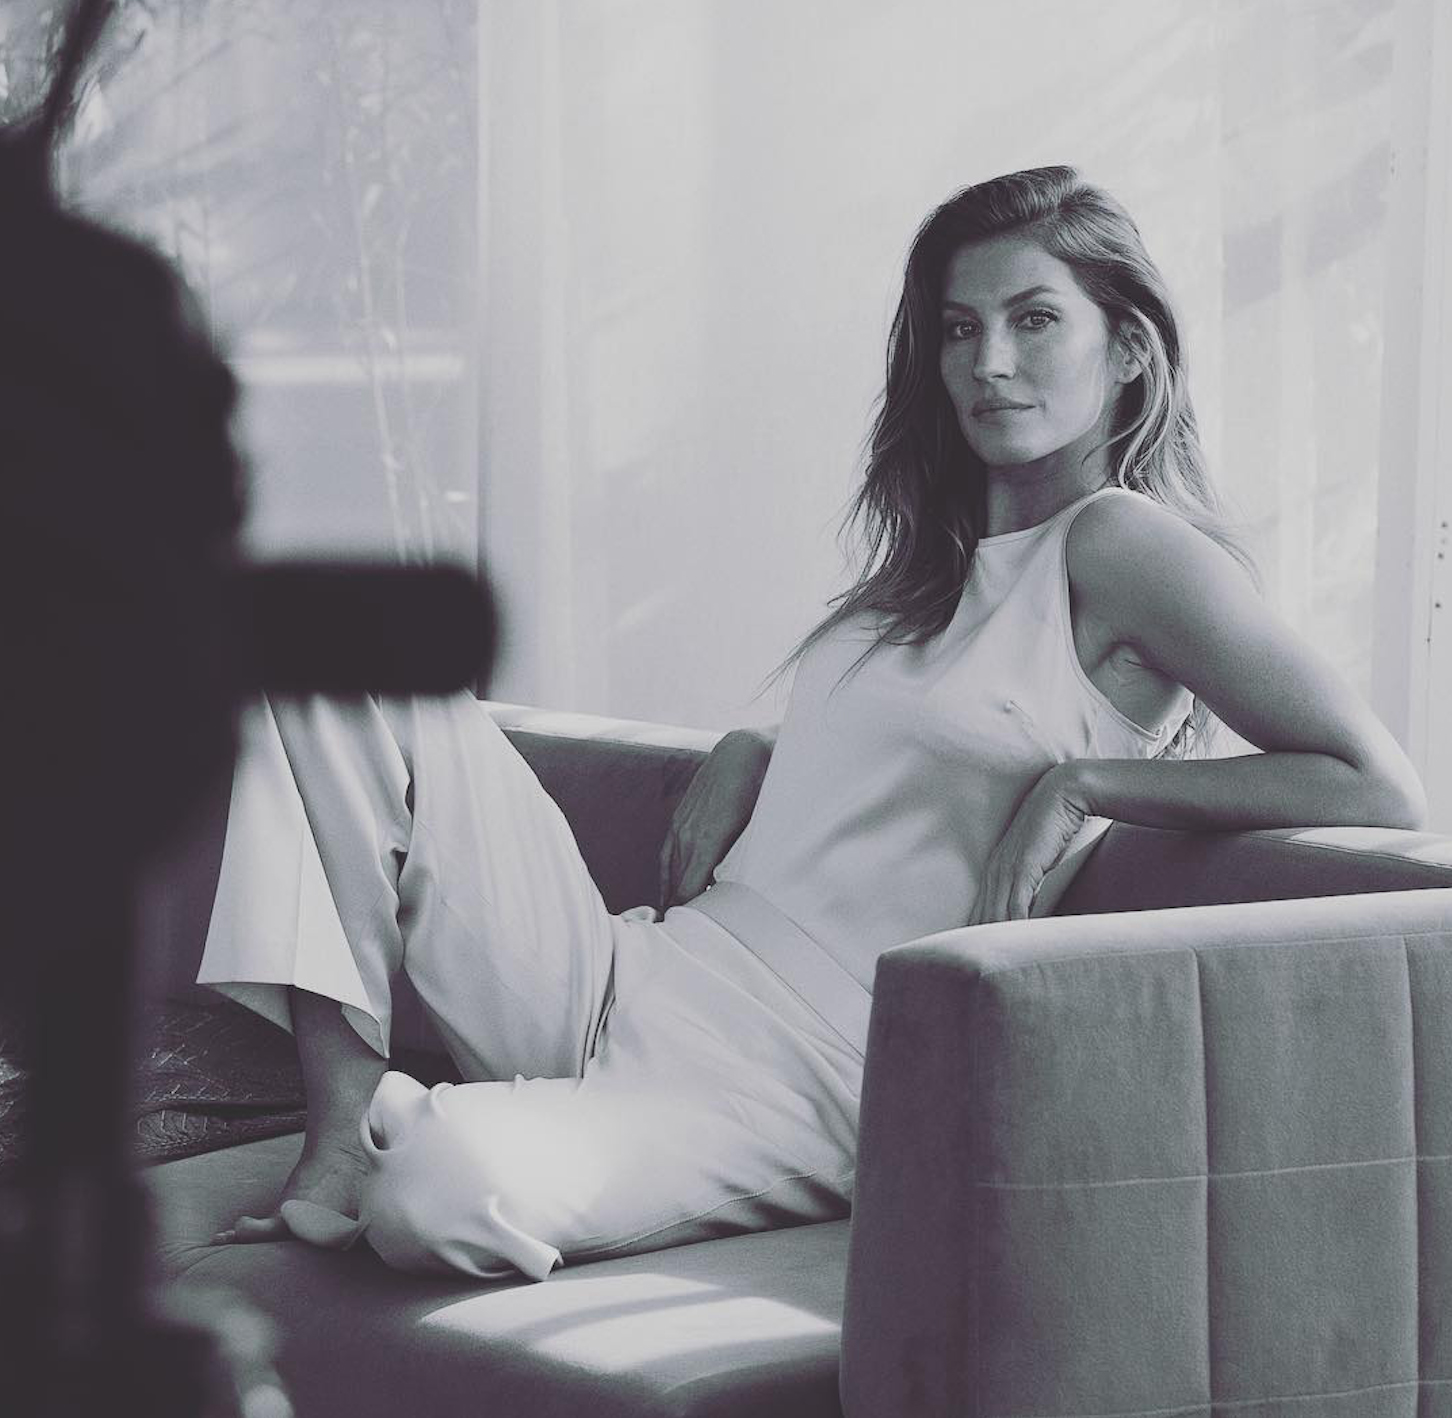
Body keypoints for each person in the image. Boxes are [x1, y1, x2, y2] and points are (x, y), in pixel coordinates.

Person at [201, 165, 1424, 1279]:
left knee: (440, 1192)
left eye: (1035, 319)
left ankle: (450, 1137)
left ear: (1130, 351)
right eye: (960, 327)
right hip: (642, 964)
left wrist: (1085, 786)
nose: (990, 360)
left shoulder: (1121, 544)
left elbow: (1372, 780)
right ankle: (344, 1117)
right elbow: (929, 744)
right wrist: (758, 747)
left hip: (810, 1072)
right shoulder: (936, 557)